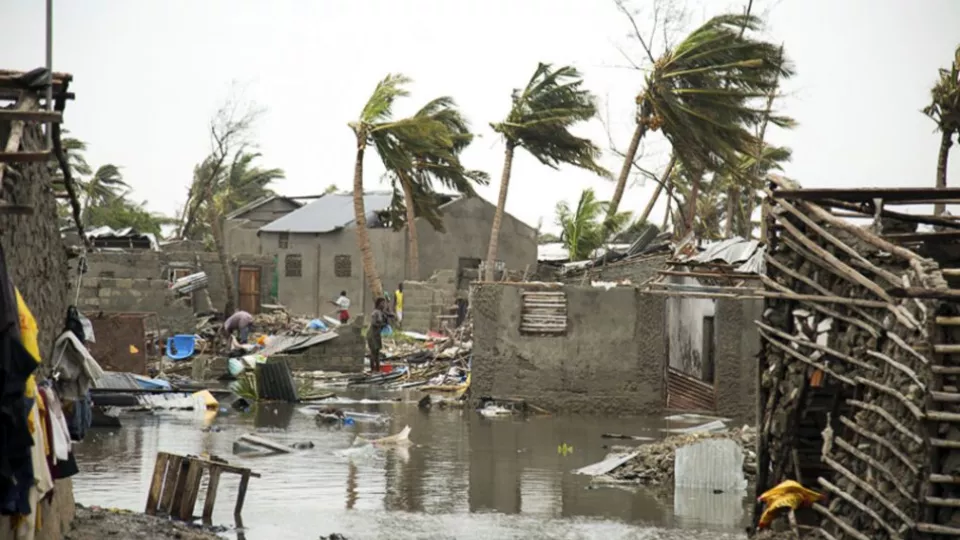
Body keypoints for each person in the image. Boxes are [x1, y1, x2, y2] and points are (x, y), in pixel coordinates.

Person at [367, 297, 392, 372]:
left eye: (384, 303)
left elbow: (388, 315)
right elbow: (374, 323)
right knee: (373, 353)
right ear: (378, 304)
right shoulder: (375, 312)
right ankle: (372, 370)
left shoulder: (381, 312)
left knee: (377, 353)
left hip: (377, 335)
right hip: (372, 334)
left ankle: (377, 370)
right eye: (382, 303)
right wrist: (382, 324)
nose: (383, 305)